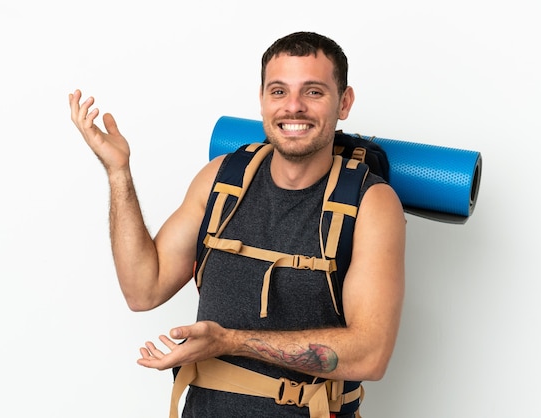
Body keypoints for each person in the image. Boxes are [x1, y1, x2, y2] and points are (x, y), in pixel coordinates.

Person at [69, 31, 405, 418]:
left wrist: (229, 341)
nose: (293, 107)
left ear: (343, 102)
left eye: (313, 92)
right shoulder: (222, 179)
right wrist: (118, 172)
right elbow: (143, 290)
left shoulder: (370, 203)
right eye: (278, 91)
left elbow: (371, 355)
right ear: (262, 99)